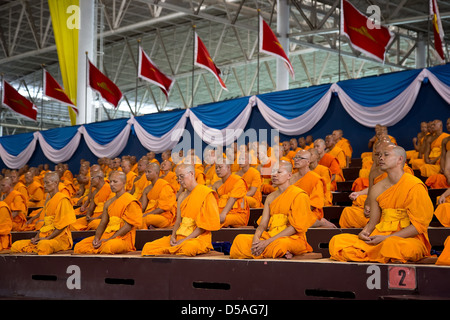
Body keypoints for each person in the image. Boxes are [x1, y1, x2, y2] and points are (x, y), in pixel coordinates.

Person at [329, 145, 434, 263]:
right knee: (337, 241)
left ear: (400, 159)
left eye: (386, 155)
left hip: (407, 239)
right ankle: (378, 254)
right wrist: (364, 233)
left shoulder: (414, 185)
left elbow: (419, 226)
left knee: (392, 245)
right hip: (379, 236)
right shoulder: (376, 188)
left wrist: (387, 238)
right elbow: (373, 222)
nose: (381, 158)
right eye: (379, 155)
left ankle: (377, 253)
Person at [229, 160, 317, 259]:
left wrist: (267, 242)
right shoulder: (270, 197)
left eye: (279, 172)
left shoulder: (299, 195)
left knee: (280, 245)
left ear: (289, 175)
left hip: (293, 238)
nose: (274, 175)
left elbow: (295, 227)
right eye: (273, 172)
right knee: (239, 240)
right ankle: (276, 252)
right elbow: (263, 224)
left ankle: (274, 251)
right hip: (271, 235)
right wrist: (256, 238)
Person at [141, 164, 221, 256]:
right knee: (148, 247)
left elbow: (203, 227)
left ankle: (175, 248)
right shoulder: (182, 196)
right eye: (178, 178)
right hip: (180, 236)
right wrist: (173, 237)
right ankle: (175, 247)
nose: (179, 180)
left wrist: (185, 240)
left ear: (191, 174)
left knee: (187, 248)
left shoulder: (206, 193)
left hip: (197, 239)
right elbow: (178, 220)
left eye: (182, 177)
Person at [73, 171, 142, 254]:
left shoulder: (131, 201)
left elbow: (127, 227)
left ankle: (100, 248)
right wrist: (97, 238)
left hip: (122, 239)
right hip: (106, 236)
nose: (112, 184)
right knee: (80, 245)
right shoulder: (109, 203)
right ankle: (98, 247)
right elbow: (103, 223)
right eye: (110, 181)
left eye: (115, 182)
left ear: (124, 183)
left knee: (108, 246)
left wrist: (109, 239)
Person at [11, 172, 76, 255]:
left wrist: (47, 239)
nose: (44, 186)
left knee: (43, 245)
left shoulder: (63, 199)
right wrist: (36, 237)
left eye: (47, 183)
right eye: (44, 183)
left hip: (60, 239)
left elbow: (63, 226)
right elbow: (45, 224)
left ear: (56, 183)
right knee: (16, 245)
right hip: (45, 236)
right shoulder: (49, 200)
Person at [291, 150, 335, 228]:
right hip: (290, 210)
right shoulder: (290, 178)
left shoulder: (315, 179)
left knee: (296, 221)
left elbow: (314, 204)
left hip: (308, 212)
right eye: (295, 158)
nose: (296, 160)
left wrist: (297, 210)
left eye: (300, 158)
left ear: (308, 162)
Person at [213, 158, 249, 227]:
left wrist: (223, 213)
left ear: (228, 167)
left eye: (220, 167)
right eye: (216, 167)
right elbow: (213, 201)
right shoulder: (216, 184)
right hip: (220, 212)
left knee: (218, 220)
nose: (217, 169)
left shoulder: (238, 181)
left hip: (237, 214)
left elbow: (232, 199)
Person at [140, 162, 177, 229]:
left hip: (165, 217)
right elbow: (143, 207)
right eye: (145, 172)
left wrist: (146, 214)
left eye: (149, 172)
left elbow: (163, 208)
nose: (146, 174)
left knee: (145, 219)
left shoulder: (164, 186)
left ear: (157, 173)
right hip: (150, 214)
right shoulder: (147, 189)